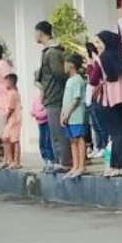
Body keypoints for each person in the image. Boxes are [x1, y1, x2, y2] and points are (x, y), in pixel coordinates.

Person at [93, 30, 122, 177]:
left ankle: (120, 166)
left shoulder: (103, 58)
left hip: (110, 100)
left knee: (115, 134)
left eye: (99, 42)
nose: (98, 45)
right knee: (120, 132)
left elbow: (94, 79)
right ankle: (120, 165)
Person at [34, 21, 70, 172]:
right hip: (51, 97)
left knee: (58, 132)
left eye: (35, 32)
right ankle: (58, 161)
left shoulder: (52, 52)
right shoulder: (47, 51)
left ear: (41, 32)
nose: (34, 36)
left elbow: (59, 74)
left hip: (56, 97)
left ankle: (64, 162)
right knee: (53, 132)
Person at [60, 54, 87, 179]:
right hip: (68, 116)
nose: (64, 66)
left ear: (71, 65)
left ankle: (81, 165)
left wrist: (68, 114)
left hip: (76, 116)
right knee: (72, 140)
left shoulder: (77, 80)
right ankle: (75, 165)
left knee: (79, 139)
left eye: (65, 63)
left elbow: (76, 100)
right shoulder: (69, 80)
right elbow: (66, 100)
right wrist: (63, 114)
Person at [84, 41, 108, 159]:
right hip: (90, 94)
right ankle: (97, 147)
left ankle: (104, 146)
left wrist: (90, 65)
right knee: (94, 123)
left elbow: (94, 79)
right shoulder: (93, 61)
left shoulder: (98, 61)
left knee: (100, 123)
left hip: (98, 94)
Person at [1, 73, 20, 169]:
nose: (5, 83)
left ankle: (15, 161)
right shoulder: (10, 93)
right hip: (10, 120)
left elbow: (10, 108)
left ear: (12, 82)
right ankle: (8, 159)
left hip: (13, 119)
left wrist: (5, 118)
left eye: (6, 81)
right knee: (6, 139)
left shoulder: (13, 93)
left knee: (14, 140)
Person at [32, 87, 54, 170]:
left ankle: (50, 159)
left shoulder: (48, 99)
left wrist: (38, 114)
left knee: (48, 140)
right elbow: (33, 110)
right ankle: (45, 158)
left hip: (47, 122)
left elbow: (46, 112)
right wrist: (36, 113)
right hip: (40, 123)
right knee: (42, 141)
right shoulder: (36, 98)